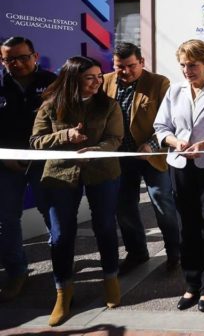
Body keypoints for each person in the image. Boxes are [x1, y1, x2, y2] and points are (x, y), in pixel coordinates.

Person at [30, 56, 124, 326]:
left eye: (99, 76)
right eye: (90, 77)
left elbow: (115, 138)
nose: (97, 82)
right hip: (60, 174)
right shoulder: (51, 105)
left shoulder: (109, 105)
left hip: (102, 172)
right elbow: (36, 141)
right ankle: (63, 292)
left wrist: (97, 149)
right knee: (60, 235)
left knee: (105, 226)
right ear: (73, 79)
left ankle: (111, 280)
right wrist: (65, 136)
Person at [153, 39, 204, 313]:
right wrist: (175, 142)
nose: (187, 70)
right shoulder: (174, 91)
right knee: (186, 226)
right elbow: (161, 126)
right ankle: (191, 283)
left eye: (192, 65)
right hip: (180, 165)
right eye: (183, 65)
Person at [103, 42, 180, 275]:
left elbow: (170, 121)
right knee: (124, 207)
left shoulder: (159, 83)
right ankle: (137, 252)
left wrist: (152, 145)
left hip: (151, 156)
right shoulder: (105, 82)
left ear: (142, 62)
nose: (125, 71)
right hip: (120, 157)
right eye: (120, 66)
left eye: (131, 66)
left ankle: (175, 252)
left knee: (162, 202)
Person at [0, 36, 56, 302]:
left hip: (43, 161)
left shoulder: (52, 82)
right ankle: (17, 272)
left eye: (23, 57)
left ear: (35, 56)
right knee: (6, 220)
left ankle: (62, 271)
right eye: (10, 59)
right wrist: (4, 158)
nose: (17, 63)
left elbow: (63, 121)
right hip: (6, 164)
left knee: (52, 216)